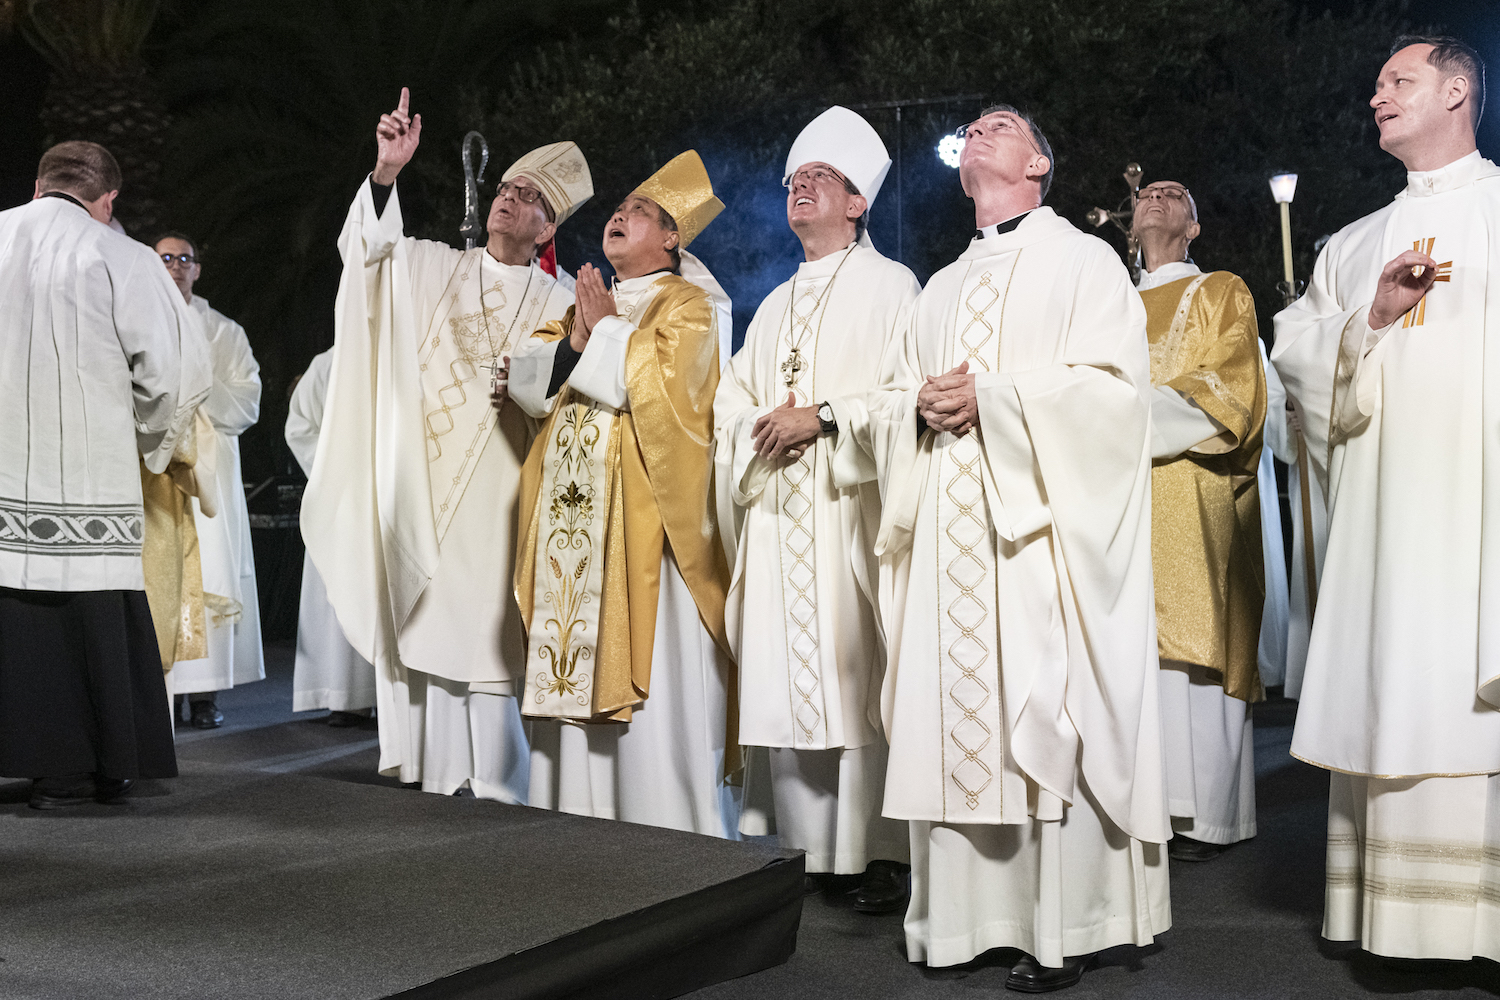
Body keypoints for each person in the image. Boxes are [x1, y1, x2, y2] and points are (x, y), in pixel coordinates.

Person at [850, 105, 1169, 991]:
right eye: (975, 130)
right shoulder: (940, 285)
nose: (981, 133)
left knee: (1042, 712)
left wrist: (997, 399)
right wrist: (913, 409)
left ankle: (1066, 924)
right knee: (958, 717)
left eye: (1002, 125)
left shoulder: (1085, 261)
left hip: (1035, 541)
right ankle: (965, 922)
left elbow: (1115, 400)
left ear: (1040, 163)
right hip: (948, 537)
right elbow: (887, 399)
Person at [1271, 36, 1500, 962]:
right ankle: (1400, 932)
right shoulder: (1356, 242)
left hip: (1485, 502)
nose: (1377, 98)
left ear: (1458, 90)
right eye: (1374, 86)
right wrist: (1368, 316)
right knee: (1402, 680)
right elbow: (1297, 356)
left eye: (1397, 82)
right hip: (1389, 519)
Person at [301, 88, 591, 800]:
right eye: (506, 189)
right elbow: (367, 259)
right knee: (429, 625)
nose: (507, 200)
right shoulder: (433, 266)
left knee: (491, 639)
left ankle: (498, 783)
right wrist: (386, 173)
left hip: (502, 494)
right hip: (425, 492)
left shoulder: (559, 305)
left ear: (547, 224)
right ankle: (434, 778)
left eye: (527, 197)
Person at [714, 107, 917, 907]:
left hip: (847, 512)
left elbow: (906, 398)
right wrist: (754, 430)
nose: (801, 189)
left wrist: (823, 417)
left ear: (858, 202)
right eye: (795, 181)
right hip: (778, 511)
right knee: (789, 679)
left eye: (820, 180)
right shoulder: (772, 303)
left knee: (853, 671)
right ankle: (804, 853)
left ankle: (880, 855)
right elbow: (731, 400)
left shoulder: (894, 288)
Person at [509, 151, 740, 838]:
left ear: (673, 238)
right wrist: (578, 338)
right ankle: (573, 816)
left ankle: (670, 825)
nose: (620, 215)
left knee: (658, 677)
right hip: (572, 529)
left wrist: (601, 331)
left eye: (641, 212)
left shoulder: (694, 306)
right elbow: (528, 387)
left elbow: (669, 400)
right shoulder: (588, 305)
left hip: (649, 535)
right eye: (620, 208)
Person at [0, 141, 210, 808]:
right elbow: (175, 377)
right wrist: (146, 443)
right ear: (108, 199)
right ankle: (100, 764)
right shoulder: (122, 256)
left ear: (38, 186)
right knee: (91, 616)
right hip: (91, 477)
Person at [1133, 180, 1267, 861]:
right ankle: (1141, 805)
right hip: (1118, 494)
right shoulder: (1107, 304)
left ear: (1194, 225)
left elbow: (1231, 386)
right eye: (1145, 196)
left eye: (1174, 194)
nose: (1155, 199)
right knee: (1130, 649)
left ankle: (1206, 814)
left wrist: (1121, 421)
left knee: (1195, 640)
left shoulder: (1220, 290)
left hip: (1195, 485)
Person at [153, 231, 265, 729]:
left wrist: (193, 382)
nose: (176, 265)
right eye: (166, 257)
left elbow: (246, 403)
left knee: (211, 571)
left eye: (185, 258)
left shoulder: (225, 332)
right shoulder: (138, 323)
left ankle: (204, 697)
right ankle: (161, 691)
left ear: (198, 269)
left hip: (210, 473)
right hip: (155, 472)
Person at [287, 349, 375, 725]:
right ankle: (346, 694)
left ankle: (391, 700)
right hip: (340, 498)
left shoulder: (402, 350)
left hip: (391, 493)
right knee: (342, 589)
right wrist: (333, 470)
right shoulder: (326, 363)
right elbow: (299, 426)